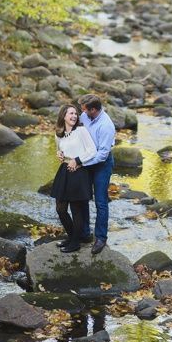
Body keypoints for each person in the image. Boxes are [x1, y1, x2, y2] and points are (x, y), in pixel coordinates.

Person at [63, 94, 116, 254]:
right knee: (82, 197)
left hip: (101, 164)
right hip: (84, 159)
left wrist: (79, 162)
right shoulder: (86, 116)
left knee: (100, 201)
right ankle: (84, 233)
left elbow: (102, 155)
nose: (81, 112)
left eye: (84, 109)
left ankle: (100, 238)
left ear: (93, 109)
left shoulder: (106, 125)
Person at [51, 103, 95, 253]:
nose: (74, 116)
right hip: (64, 171)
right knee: (61, 209)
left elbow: (92, 150)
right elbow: (59, 150)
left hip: (79, 172)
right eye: (71, 113)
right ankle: (72, 237)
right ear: (63, 115)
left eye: (75, 114)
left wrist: (77, 160)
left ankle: (75, 242)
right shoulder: (59, 133)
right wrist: (59, 154)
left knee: (76, 210)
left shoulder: (81, 131)